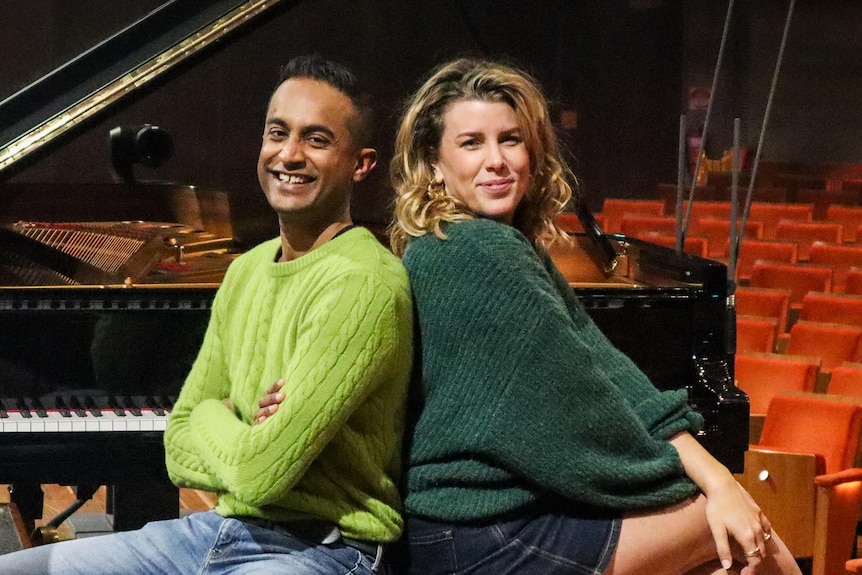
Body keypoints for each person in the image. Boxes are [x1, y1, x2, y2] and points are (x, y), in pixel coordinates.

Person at [0, 54, 413, 575]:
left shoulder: (364, 282)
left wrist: (214, 416)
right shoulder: (244, 272)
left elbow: (263, 472)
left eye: (317, 139)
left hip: (323, 548)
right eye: (277, 133)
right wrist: (237, 428)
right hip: (219, 530)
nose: (288, 154)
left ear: (361, 163)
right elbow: (177, 445)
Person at [387, 57, 801, 575]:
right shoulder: (477, 252)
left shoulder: (469, 244)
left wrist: (718, 482)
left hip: (460, 528)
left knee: (723, 542)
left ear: (533, 152)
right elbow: (585, 416)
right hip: (481, 536)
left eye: (510, 139)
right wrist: (711, 492)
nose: (496, 160)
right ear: (433, 163)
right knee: (751, 542)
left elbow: (613, 376)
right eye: (471, 143)